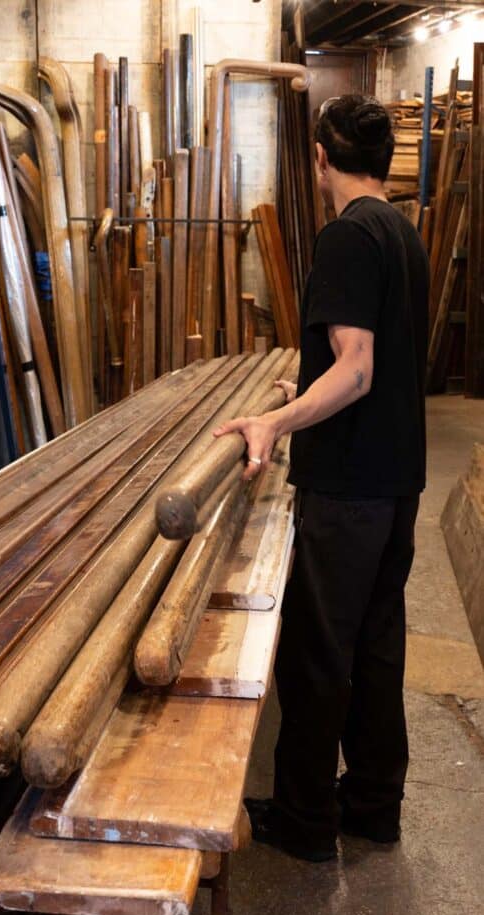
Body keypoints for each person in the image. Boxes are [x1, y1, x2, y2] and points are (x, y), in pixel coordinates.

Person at [214, 94, 429, 862]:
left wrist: (274, 422)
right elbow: (380, 361)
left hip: (347, 488)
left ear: (318, 158)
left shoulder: (344, 236)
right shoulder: (400, 230)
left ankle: (304, 820)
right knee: (375, 646)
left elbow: (358, 368)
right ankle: (372, 805)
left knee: (316, 655)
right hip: (395, 479)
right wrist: (301, 388)